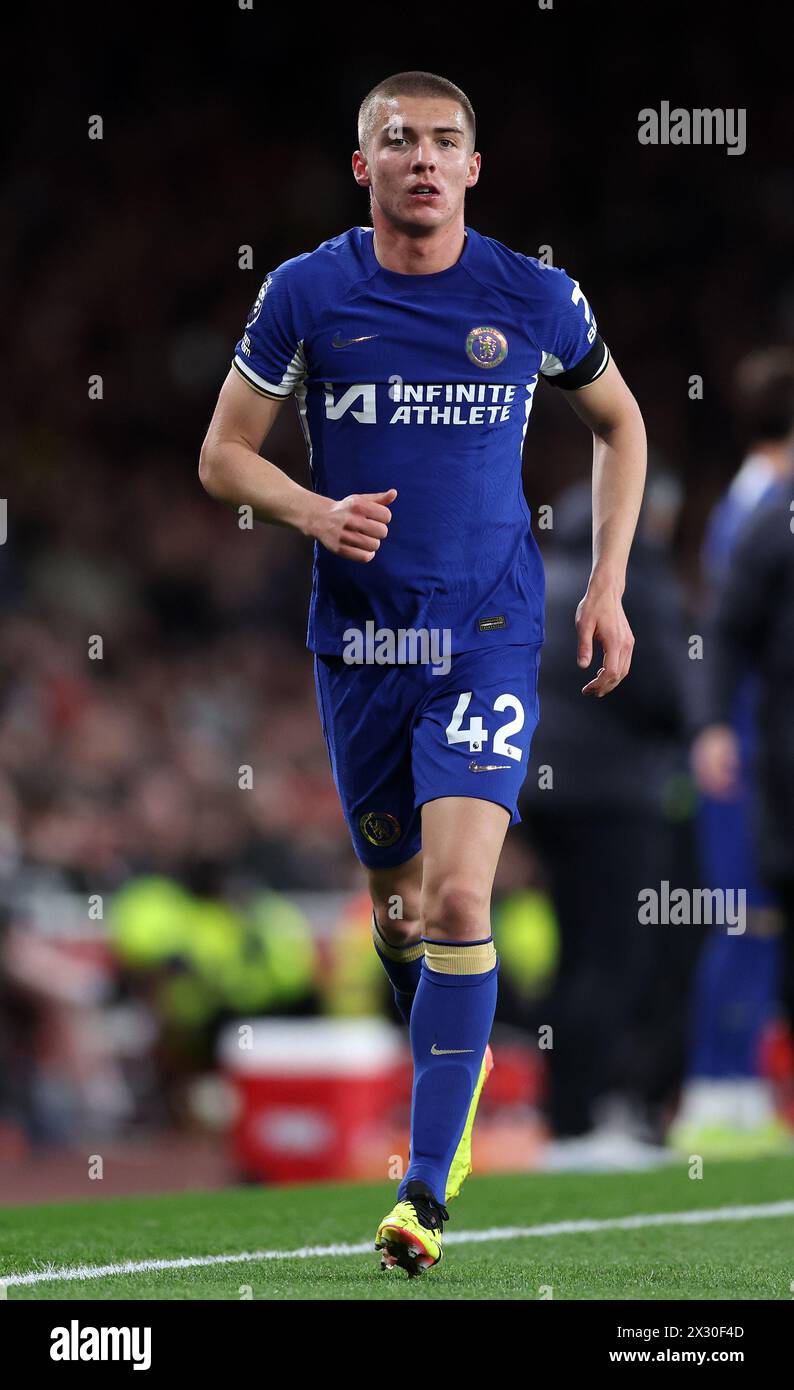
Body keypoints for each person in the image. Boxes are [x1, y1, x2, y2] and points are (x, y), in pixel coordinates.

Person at [199, 70, 646, 1275]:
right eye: (398, 141)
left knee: (459, 902)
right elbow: (222, 457)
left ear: (473, 168)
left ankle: (420, 1195)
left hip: (487, 636)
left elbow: (620, 422)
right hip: (357, 648)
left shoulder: (531, 293)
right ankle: (455, 1041)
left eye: (446, 142)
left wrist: (602, 584)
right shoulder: (305, 293)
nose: (423, 160)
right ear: (365, 167)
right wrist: (311, 508)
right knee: (400, 913)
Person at [675, 351, 794, 1156]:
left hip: (758, 745)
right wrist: (718, 728)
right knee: (745, 914)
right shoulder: (756, 513)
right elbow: (728, 643)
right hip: (752, 752)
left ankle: (740, 1080)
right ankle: (721, 1089)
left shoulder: (744, 506)